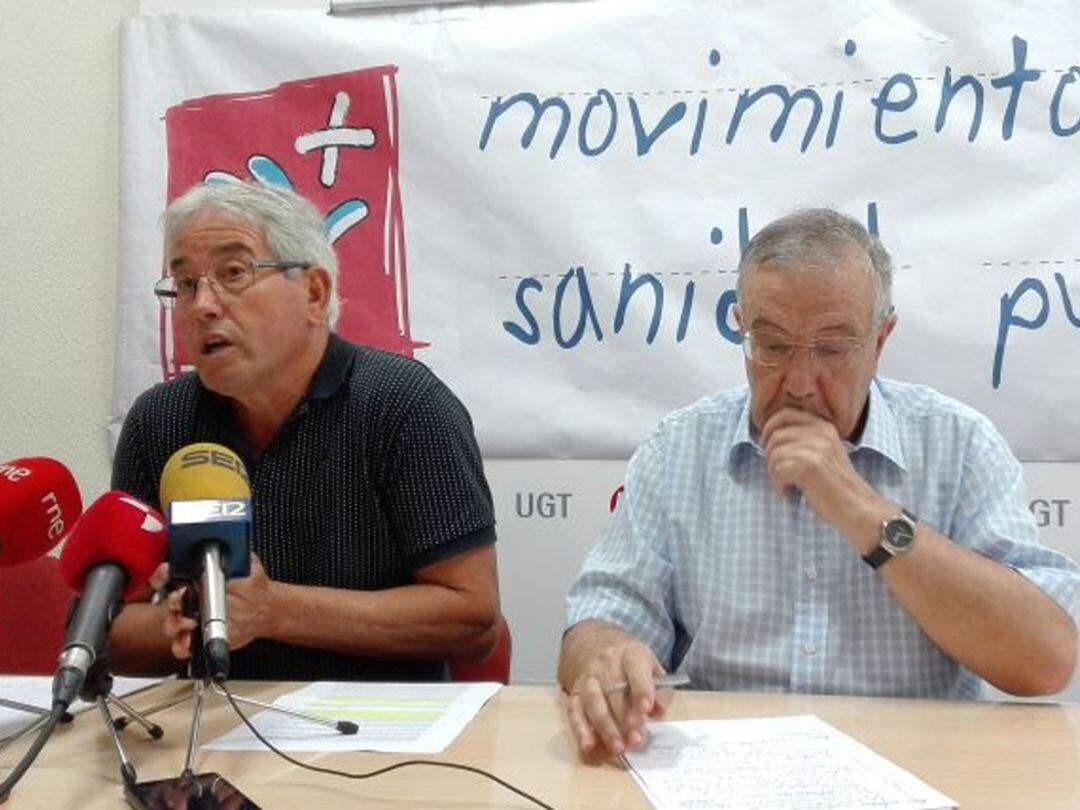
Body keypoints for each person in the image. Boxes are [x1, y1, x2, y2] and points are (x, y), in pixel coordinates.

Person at [559, 208, 1080, 758]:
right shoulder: (678, 450)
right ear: (743, 328)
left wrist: (862, 511)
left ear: (881, 339)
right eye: (774, 346)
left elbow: (1045, 660)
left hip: (917, 765)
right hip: (723, 767)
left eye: (832, 349)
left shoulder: (959, 445)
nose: (801, 383)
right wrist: (605, 654)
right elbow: (601, 616)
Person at [108, 181, 500, 681]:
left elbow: (473, 620)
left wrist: (275, 611)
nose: (202, 305)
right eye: (185, 285)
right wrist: (177, 622)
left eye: (233, 273)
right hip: (209, 730)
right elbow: (112, 628)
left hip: (378, 733)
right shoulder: (160, 422)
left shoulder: (404, 405)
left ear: (315, 293)